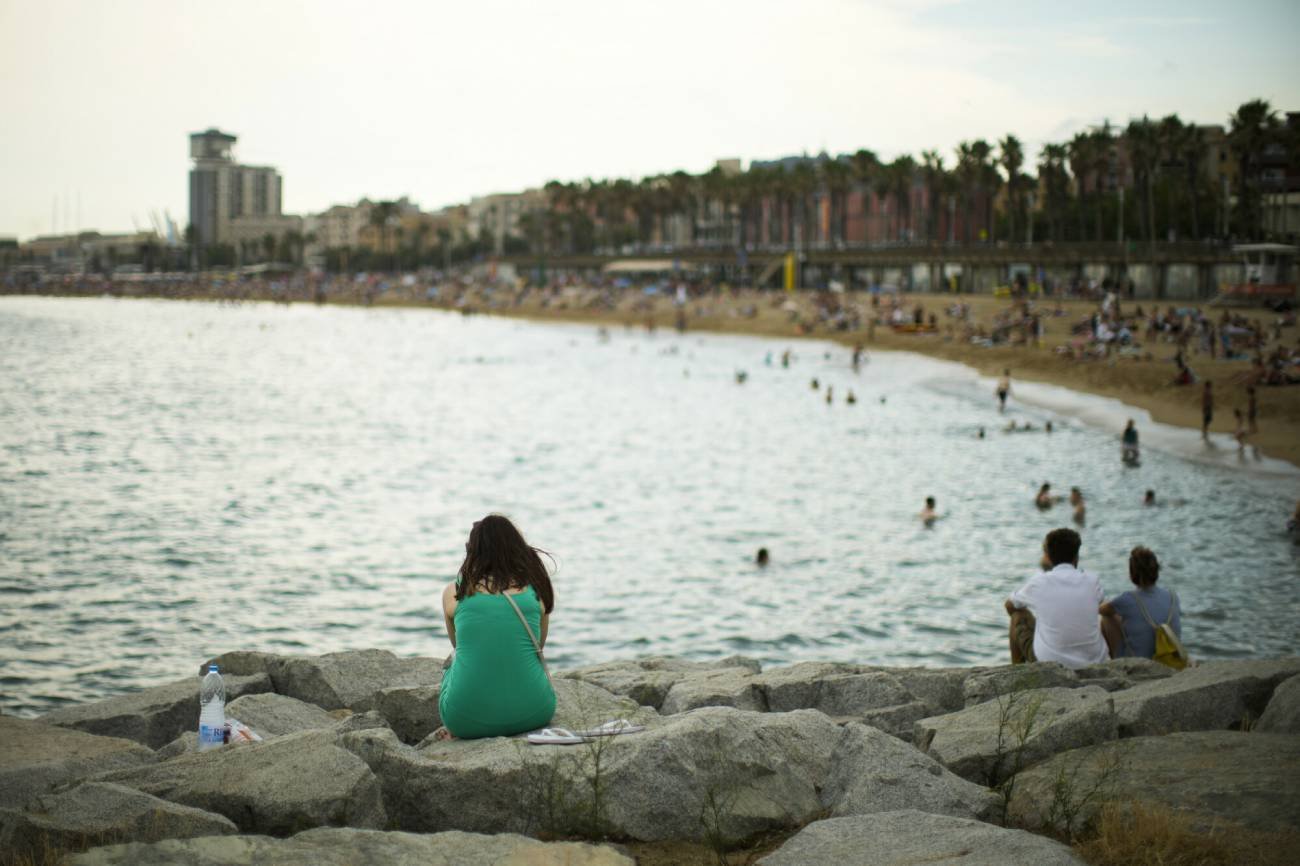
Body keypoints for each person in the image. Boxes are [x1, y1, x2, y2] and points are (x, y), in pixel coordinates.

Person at [434, 515, 556, 740]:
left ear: (473, 551)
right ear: (517, 549)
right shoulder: (537, 589)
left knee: (452, 663)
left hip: (463, 720)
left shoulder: (455, 592)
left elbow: (459, 647)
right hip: (536, 712)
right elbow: (537, 646)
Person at [1004, 528, 1110, 668]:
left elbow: (1009, 605)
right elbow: (1101, 603)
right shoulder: (1092, 580)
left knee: (1018, 615)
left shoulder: (1039, 582)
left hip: (1050, 663)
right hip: (1094, 661)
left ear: (1047, 557)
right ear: (1076, 556)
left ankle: (1016, 670)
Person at [1099, 547, 1181, 660]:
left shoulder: (1127, 599)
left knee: (1107, 618)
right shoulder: (1173, 597)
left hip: (1139, 663)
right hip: (1170, 660)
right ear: (1156, 570)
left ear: (1132, 573)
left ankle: (1116, 661)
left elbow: (1101, 610)